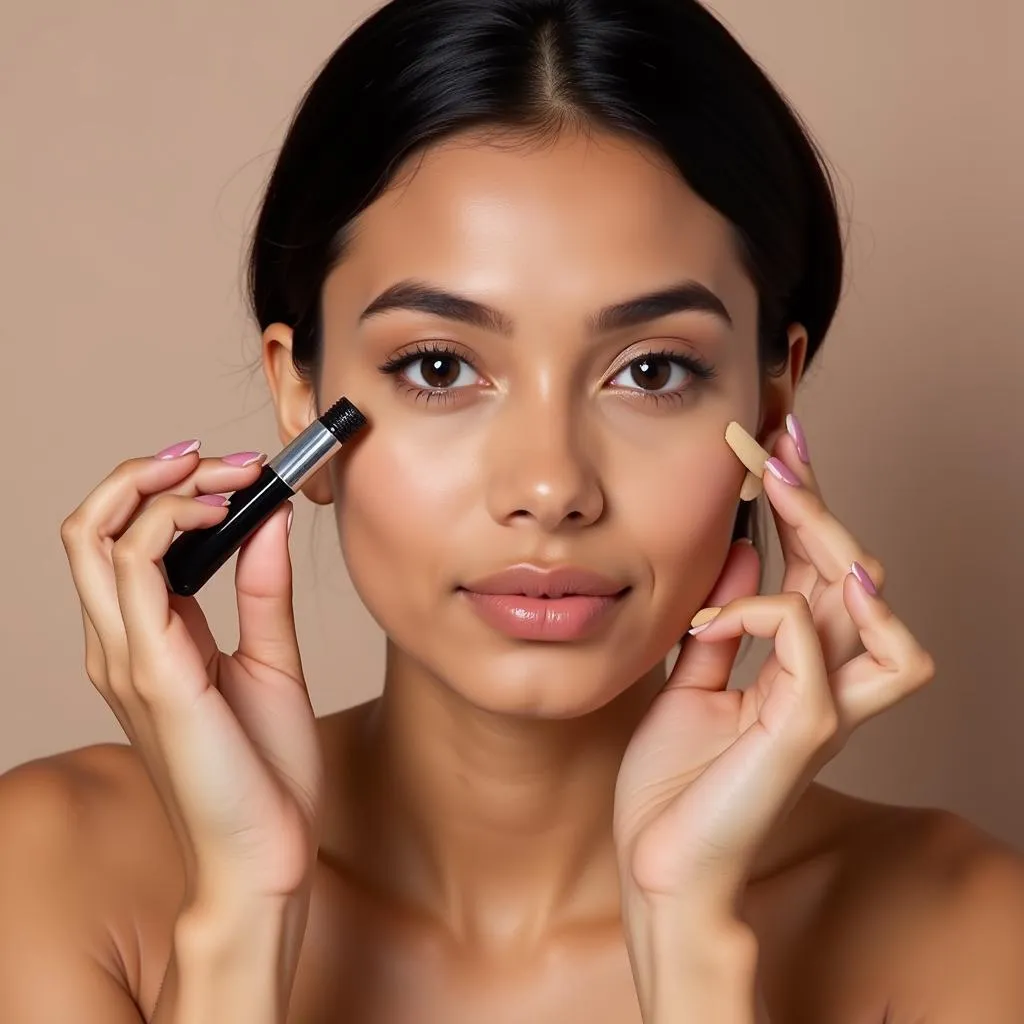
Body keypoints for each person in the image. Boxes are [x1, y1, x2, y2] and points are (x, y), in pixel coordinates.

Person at [2, 0, 1022, 1020]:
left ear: (767, 406)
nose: (550, 487)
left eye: (652, 368)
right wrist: (242, 912)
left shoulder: (959, 930)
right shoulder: (51, 873)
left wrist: (688, 932)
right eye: (439, 366)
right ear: (300, 398)